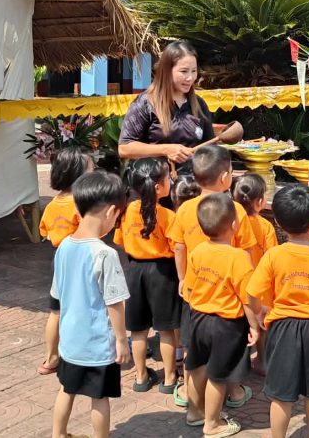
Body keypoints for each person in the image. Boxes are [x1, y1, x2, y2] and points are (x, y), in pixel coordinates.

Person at [247, 185, 309, 438]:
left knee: (281, 395)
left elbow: (252, 292)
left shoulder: (273, 256)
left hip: (282, 328)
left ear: (279, 223)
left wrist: (260, 312)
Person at [167, 145, 256, 408]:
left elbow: (179, 246)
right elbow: (247, 250)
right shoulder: (235, 210)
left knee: (193, 344)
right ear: (225, 177)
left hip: (196, 289)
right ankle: (234, 392)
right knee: (232, 346)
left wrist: (182, 278)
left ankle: (188, 392)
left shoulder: (185, 209)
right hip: (229, 295)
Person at [50, 171, 131, 438]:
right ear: (111, 212)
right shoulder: (105, 254)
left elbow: (58, 294)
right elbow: (115, 302)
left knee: (67, 389)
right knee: (100, 397)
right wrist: (121, 340)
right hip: (98, 344)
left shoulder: (63, 246)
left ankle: (58, 434)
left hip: (70, 341)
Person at [182, 193, 261, 437]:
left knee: (197, 367)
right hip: (226, 324)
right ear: (235, 225)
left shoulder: (197, 251)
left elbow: (190, 289)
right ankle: (212, 424)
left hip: (198, 318)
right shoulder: (239, 257)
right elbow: (247, 299)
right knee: (218, 375)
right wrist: (254, 326)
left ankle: (194, 413)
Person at [114, 158, 181, 394]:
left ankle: (141, 377)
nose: (171, 180)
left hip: (134, 272)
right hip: (162, 273)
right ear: (158, 187)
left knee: (138, 330)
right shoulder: (167, 215)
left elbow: (120, 241)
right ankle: (170, 378)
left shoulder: (125, 212)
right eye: (168, 177)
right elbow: (176, 247)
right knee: (166, 329)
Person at [119, 41, 215, 176]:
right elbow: (124, 148)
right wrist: (165, 150)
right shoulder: (145, 103)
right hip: (155, 182)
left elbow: (210, 148)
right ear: (167, 71)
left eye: (194, 71)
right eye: (184, 71)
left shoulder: (199, 105)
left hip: (190, 185)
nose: (190, 78)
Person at [39, 148, 95, 376]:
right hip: (81, 260)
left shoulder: (52, 204)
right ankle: (84, 356)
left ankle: (51, 357)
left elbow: (45, 231)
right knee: (85, 308)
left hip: (59, 259)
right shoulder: (82, 204)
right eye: (91, 170)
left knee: (56, 310)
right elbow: (91, 232)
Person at [231, 173, 278, 267]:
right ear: (260, 202)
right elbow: (272, 256)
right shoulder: (266, 226)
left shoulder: (229, 222)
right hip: (256, 272)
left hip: (232, 271)